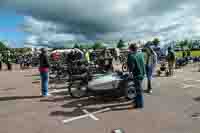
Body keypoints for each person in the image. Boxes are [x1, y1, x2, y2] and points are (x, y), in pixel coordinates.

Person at [127, 43, 146, 108]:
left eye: (129, 49)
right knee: (138, 89)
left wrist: (129, 74)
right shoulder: (140, 54)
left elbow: (131, 67)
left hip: (137, 75)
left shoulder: (132, 56)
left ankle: (140, 104)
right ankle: (136, 102)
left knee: (138, 90)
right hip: (142, 73)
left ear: (131, 49)